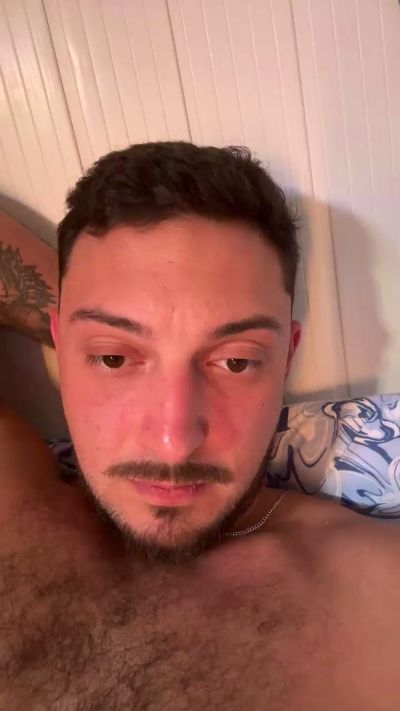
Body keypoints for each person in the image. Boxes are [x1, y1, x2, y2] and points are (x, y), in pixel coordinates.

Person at [0, 142, 399, 710]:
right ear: (60, 345)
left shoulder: (378, 598)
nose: (174, 441)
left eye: (236, 362)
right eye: (112, 357)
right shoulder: (11, 506)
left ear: (286, 357)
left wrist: (102, 331)